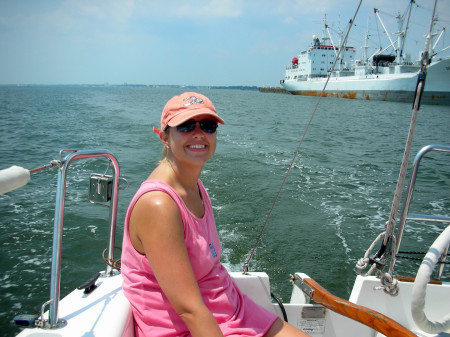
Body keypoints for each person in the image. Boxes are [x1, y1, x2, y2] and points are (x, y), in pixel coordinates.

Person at [121, 92, 309, 337]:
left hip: (231, 309)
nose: (199, 133)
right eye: (186, 125)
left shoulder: (194, 186)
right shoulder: (158, 205)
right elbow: (190, 310)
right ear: (164, 136)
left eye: (208, 126)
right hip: (187, 328)